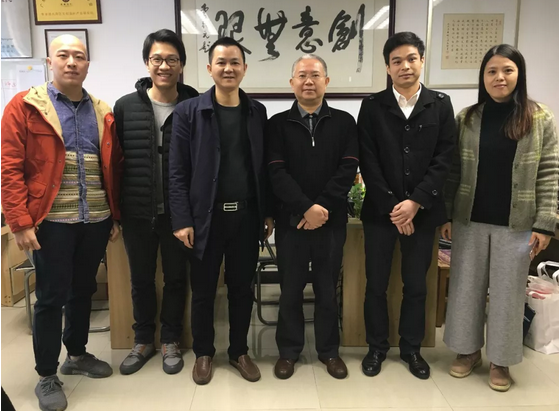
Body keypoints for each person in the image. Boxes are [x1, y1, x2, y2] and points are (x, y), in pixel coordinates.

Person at [1, 35, 122, 411]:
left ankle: (77, 354)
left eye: (79, 56)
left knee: (83, 290)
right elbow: (9, 167)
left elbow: (110, 167)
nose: (72, 62)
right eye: (64, 55)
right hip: (50, 221)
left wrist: (114, 215)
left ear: (88, 64)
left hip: (95, 218)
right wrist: (19, 221)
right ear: (49, 61)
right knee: (51, 297)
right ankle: (46, 375)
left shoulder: (102, 110)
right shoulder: (25, 106)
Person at [442, 44, 559, 392]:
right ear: (483, 77)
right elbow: (452, 170)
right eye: (492, 71)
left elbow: (550, 172)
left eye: (507, 70)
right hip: (469, 219)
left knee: (508, 294)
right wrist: (446, 214)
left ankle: (501, 360)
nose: (499, 78)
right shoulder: (467, 118)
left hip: (517, 224)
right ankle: (468, 351)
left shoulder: (539, 118)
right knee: (465, 289)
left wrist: (545, 223)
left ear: (519, 74)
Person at [169, 36, 274, 385]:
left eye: (235, 62)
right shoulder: (188, 112)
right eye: (221, 62)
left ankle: (239, 351)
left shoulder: (256, 112)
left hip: (245, 217)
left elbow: (263, 168)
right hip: (204, 219)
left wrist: (267, 212)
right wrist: (182, 219)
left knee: (242, 289)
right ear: (210, 68)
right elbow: (177, 171)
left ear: (244, 68)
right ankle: (203, 353)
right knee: (203, 291)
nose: (228, 68)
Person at [357, 31, 455, 380]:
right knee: (376, 284)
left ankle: (411, 348)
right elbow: (368, 160)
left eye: (411, 58)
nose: (405, 66)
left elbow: (445, 158)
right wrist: (394, 207)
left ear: (422, 61)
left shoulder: (440, 104)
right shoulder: (372, 106)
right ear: (387, 67)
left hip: (423, 213)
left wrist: (415, 202)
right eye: (396, 61)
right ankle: (376, 347)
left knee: (416, 285)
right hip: (380, 213)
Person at [268, 54, 358, 380]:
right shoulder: (277, 124)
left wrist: (321, 208)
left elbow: (348, 168)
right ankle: (289, 352)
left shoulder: (345, 122)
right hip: (291, 222)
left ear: (326, 81)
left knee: (326, 288)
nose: (309, 81)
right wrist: (305, 208)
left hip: (331, 222)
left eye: (315, 75)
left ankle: (329, 351)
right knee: (290, 290)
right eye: (302, 75)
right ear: (292, 82)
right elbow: (275, 172)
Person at [114, 29, 198, 376]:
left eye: (172, 59)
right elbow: (115, 162)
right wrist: (115, 213)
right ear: (147, 63)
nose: (164, 66)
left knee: (176, 278)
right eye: (157, 59)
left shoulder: (195, 104)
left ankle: (171, 339)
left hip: (180, 213)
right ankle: (143, 339)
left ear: (182, 64)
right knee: (141, 279)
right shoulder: (126, 106)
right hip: (137, 211)